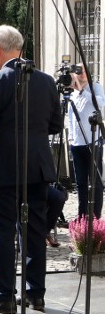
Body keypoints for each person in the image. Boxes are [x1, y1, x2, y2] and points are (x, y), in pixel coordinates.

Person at [0, 25, 62, 314]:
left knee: (2, 232)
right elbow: (55, 125)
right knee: (34, 231)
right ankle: (35, 294)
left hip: (3, 170)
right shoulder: (46, 81)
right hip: (38, 168)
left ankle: (4, 296)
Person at [68, 64, 105, 219]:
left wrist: (83, 91)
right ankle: (82, 215)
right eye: (77, 72)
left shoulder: (95, 87)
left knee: (95, 182)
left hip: (92, 141)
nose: (80, 75)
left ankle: (95, 216)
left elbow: (101, 106)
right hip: (77, 143)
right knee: (81, 183)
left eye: (82, 71)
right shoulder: (72, 93)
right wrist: (70, 137)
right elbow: (70, 116)